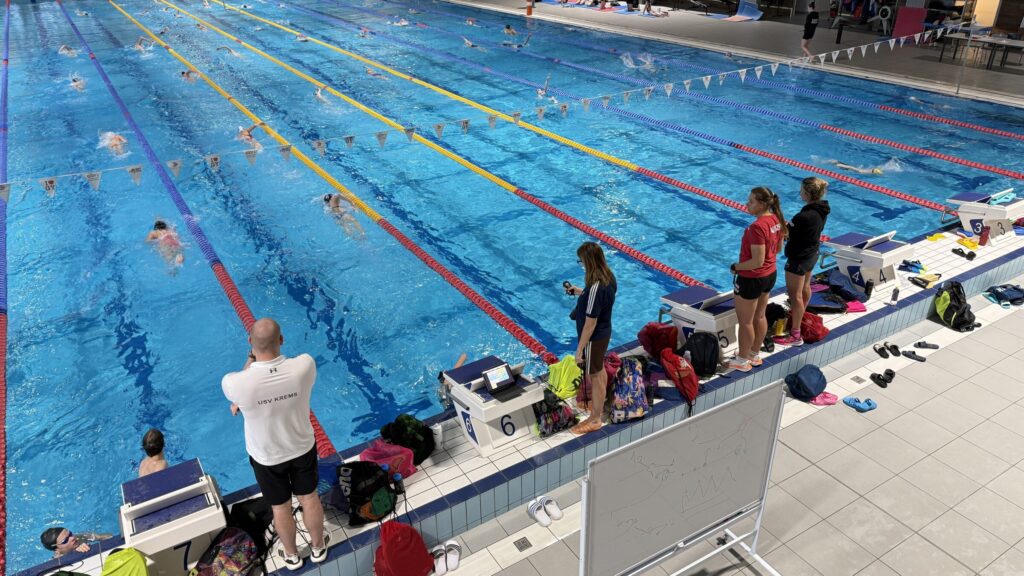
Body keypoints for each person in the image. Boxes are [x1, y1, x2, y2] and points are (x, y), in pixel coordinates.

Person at [222, 319, 330, 569]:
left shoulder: (236, 383)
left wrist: (251, 360)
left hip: (266, 457)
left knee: (280, 507)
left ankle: (291, 556)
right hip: (302, 448)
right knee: (309, 498)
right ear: (281, 340)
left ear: (250, 342)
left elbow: (243, 380)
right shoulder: (304, 365)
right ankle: (318, 547)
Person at [730, 187, 786, 372]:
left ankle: (741, 360)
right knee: (760, 316)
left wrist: (736, 267)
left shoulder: (757, 227)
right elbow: (778, 250)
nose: (747, 204)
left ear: (762, 204)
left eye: (751, 201)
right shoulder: (776, 219)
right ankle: (754, 354)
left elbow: (756, 261)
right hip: (770, 275)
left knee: (745, 322)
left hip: (752, 278)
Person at [565, 242, 617, 435]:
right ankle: (599, 406)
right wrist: (580, 291)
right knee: (599, 371)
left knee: (595, 376)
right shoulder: (608, 277)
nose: (581, 265)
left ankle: (595, 419)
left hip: (594, 338)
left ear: (588, 262)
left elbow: (590, 323)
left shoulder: (596, 287)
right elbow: (596, 297)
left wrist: (579, 349)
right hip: (604, 333)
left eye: (581, 261)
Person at [775, 178, 830, 347]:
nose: (799, 193)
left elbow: (786, 233)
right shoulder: (821, 210)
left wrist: (777, 214)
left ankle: (795, 334)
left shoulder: (804, 216)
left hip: (798, 259)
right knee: (805, 288)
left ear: (807, 193)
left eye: (801, 190)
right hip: (812, 254)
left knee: (795, 296)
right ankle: (799, 319)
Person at [40, 527, 112, 559]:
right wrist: (75, 553)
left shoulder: (79, 537)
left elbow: (109, 536)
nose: (72, 538)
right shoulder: (58, 559)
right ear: (57, 550)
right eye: (65, 540)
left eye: (70, 534)